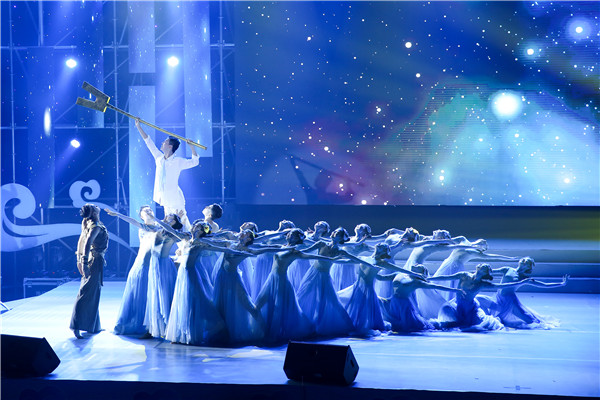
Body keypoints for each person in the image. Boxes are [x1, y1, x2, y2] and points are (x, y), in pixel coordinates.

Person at [255, 228, 342, 344]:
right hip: (271, 279)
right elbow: (264, 247)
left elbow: (312, 257)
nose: (288, 235)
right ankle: (259, 330)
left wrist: (329, 258)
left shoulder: (294, 252)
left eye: (291, 234)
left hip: (281, 282)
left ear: (296, 238)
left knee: (278, 309)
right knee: (258, 305)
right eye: (289, 234)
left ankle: (273, 335)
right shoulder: (282, 246)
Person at [337, 243, 425, 336]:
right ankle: (353, 323)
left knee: (364, 308)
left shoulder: (382, 263)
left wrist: (415, 274)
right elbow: (347, 261)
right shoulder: (364, 258)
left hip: (368, 289)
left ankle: (363, 325)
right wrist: (332, 259)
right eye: (381, 247)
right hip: (357, 287)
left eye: (383, 248)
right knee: (353, 305)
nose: (380, 248)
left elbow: (400, 270)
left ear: (384, 252)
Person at [135, 119, 199, 231]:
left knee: (183, 221)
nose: (162, 143)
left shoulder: (178, 161)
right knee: (169, 226)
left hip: (175, 198)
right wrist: (139, 127)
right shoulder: (159, 158)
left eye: (164, 142)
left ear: (170, 146)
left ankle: (192, 238)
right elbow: (148, 142)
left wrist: (192, 147)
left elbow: (195, 162)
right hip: (164, 198)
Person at [107, 206, 160, 335]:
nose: (148, 211)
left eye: (150, 209)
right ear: (141, 215)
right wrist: (118, 215)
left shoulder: (160, 227)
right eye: (145, 210)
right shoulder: (143, 227)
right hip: (143, 262)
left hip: (156, 261)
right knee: (141, 291)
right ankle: (141, 322)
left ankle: (153, 325)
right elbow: (133, 221)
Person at [478, 257, 568, 329]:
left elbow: (543, 285)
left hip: (510, 301)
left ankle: (537, 322)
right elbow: (491, 271)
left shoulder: (524, 278)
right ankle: (488, 320)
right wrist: (479, 270)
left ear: (528, 267)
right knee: (480, 299)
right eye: (524, 260)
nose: (524, 261)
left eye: (527, 262)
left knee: (529, 319)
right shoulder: (507, 269)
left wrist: (561, 284)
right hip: (499, 297)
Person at [436, 264, 530, 332]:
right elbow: (446, 277)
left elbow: (501, 286)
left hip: (469, 308)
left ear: (485, 273)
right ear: (478, 267)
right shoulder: (464, 275)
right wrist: (430, 279)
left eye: (486, 268)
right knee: (450, 316)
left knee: (467, 324)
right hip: (457, 304)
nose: (484, 266)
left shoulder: (482, 284)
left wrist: (521, 283)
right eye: (483, 265)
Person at [381, 264, 464, 333]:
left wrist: (455, 290)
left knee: (408, 323)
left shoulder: (416, 282)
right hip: (393, 301)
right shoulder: (399, 274)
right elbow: (382, 278)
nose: (414, 266)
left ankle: (451, 324)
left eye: (418, 268)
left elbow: (435, 286)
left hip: (404, 304)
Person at [70, 204, 108, 339]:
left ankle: (94, 325)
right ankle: (76, 325)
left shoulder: (88, 222)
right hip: (94, 261)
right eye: (94, 206)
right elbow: (85, 243)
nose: (97, 206)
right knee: (86, 292)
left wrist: (79, 260)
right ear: (94, 212)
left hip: (93, 259)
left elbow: (81, 241)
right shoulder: (95, 226)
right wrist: (83, 262)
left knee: (93, 292)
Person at [144, 213, 184, 338]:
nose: (169, 219)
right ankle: (154, 328)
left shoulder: (174, 234)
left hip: (164, 266)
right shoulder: (158, 230)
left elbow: (182, 239)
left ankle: (170, 327)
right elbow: (139, 224)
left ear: (176, 222)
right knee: (154, 295)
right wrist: (118, 214)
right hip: (154, 264)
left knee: (165, 293)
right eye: (168, 217)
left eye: (172, 219)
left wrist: (155, 218)